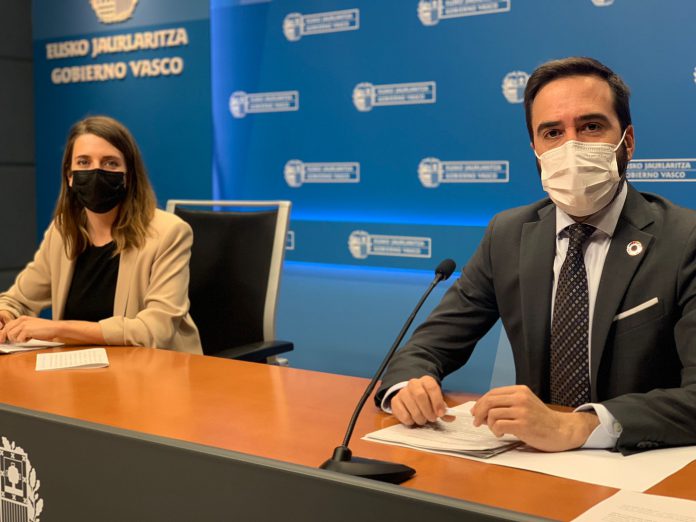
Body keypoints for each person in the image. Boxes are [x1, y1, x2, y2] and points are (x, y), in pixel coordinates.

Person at [376, 57, 696, 454]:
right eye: (552, 133)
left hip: (645, 462)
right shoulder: (508, 234)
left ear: (627, 142)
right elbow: (426, 348)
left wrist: (579, 424)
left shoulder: (685, 240)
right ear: (536, 150)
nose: (571, 146)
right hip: (535, 462)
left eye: (591, 127)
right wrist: (408, 387)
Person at [0, 116, 202, 354]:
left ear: (128, 176)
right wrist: (5, 314)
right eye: (83, 162)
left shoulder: (169, 233)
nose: (95, 171)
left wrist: (59, 329)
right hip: (76, 368)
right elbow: (18, 300)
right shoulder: (63, 231)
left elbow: (155, 331)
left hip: (154, 368)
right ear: (70, 176)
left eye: (110, 163)